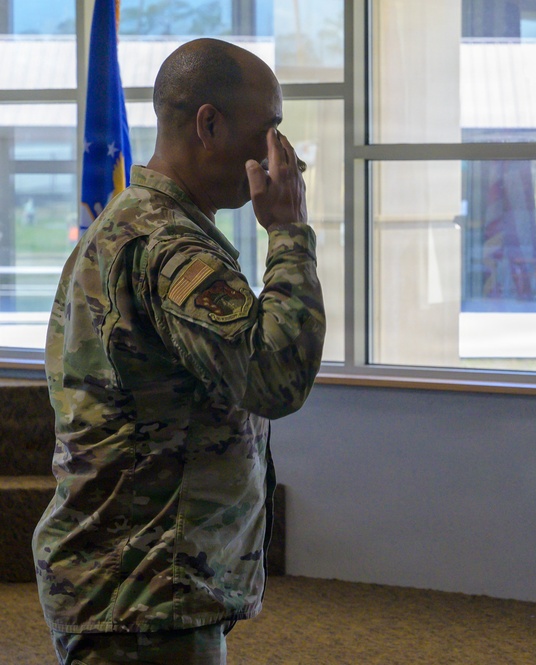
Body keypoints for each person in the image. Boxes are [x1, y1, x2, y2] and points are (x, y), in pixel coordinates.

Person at [32, 38, 325, 664]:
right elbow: (276, 377)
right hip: (145, 592)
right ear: (209, 125)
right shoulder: (169, 247)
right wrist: (289, 233)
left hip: (133, 584)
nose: (283, 154)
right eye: (269, 129)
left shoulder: (132, 223)